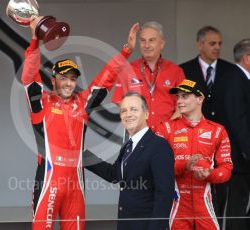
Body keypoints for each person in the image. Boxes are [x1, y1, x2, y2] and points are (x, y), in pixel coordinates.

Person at [21, 15, 140, 230]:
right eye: (64, 77)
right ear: (53, 79)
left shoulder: (83, 104)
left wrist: (126, 51)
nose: (68, 83)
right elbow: (29, 76)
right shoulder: (42, 103)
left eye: (73, 78)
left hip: (76, 185)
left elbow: (105, 78)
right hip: (48, 181)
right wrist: (35, 39)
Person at [84, 92, 175, 230]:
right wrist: (83, 156)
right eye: (123, 111)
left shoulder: (159, 145)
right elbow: (114, 174)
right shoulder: (128, 146)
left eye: (134, 109)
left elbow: (164, 194)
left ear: (146, 114)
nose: (128, 114)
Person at [155, 79, 233, 230]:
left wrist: (210, 174)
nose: (179, 101)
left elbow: (227, 168)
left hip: (205, 203)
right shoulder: (165, 129)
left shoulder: (218, 130)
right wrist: (185, 166)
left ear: (200, 98)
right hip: (177, 205)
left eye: (185, 96)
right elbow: (157, 169)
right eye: (178, 97)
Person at [179, 25, 236, 225]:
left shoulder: (231, 70)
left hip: (221, 143)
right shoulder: (184, 70)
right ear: (200, 44)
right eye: (213, 43)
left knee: (220, 203)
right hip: (191, 143)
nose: (217, 47)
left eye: (220, 43)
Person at [112, 21, 185, 130]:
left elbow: (183, 105)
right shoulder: (128, 69)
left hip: (168, 135)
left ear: (162, 43)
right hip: (138, 133)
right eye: (142, 40)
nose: (146, 45)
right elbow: (119, 101)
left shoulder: (176, 71)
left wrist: (168, 128)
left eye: (151, 40)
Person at [222, 39, 250, 230]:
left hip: (243, 156)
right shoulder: (234, 79)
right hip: (239, 158)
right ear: (247, 58)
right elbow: (238, 121)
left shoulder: (241, 79)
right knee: (237, 207)